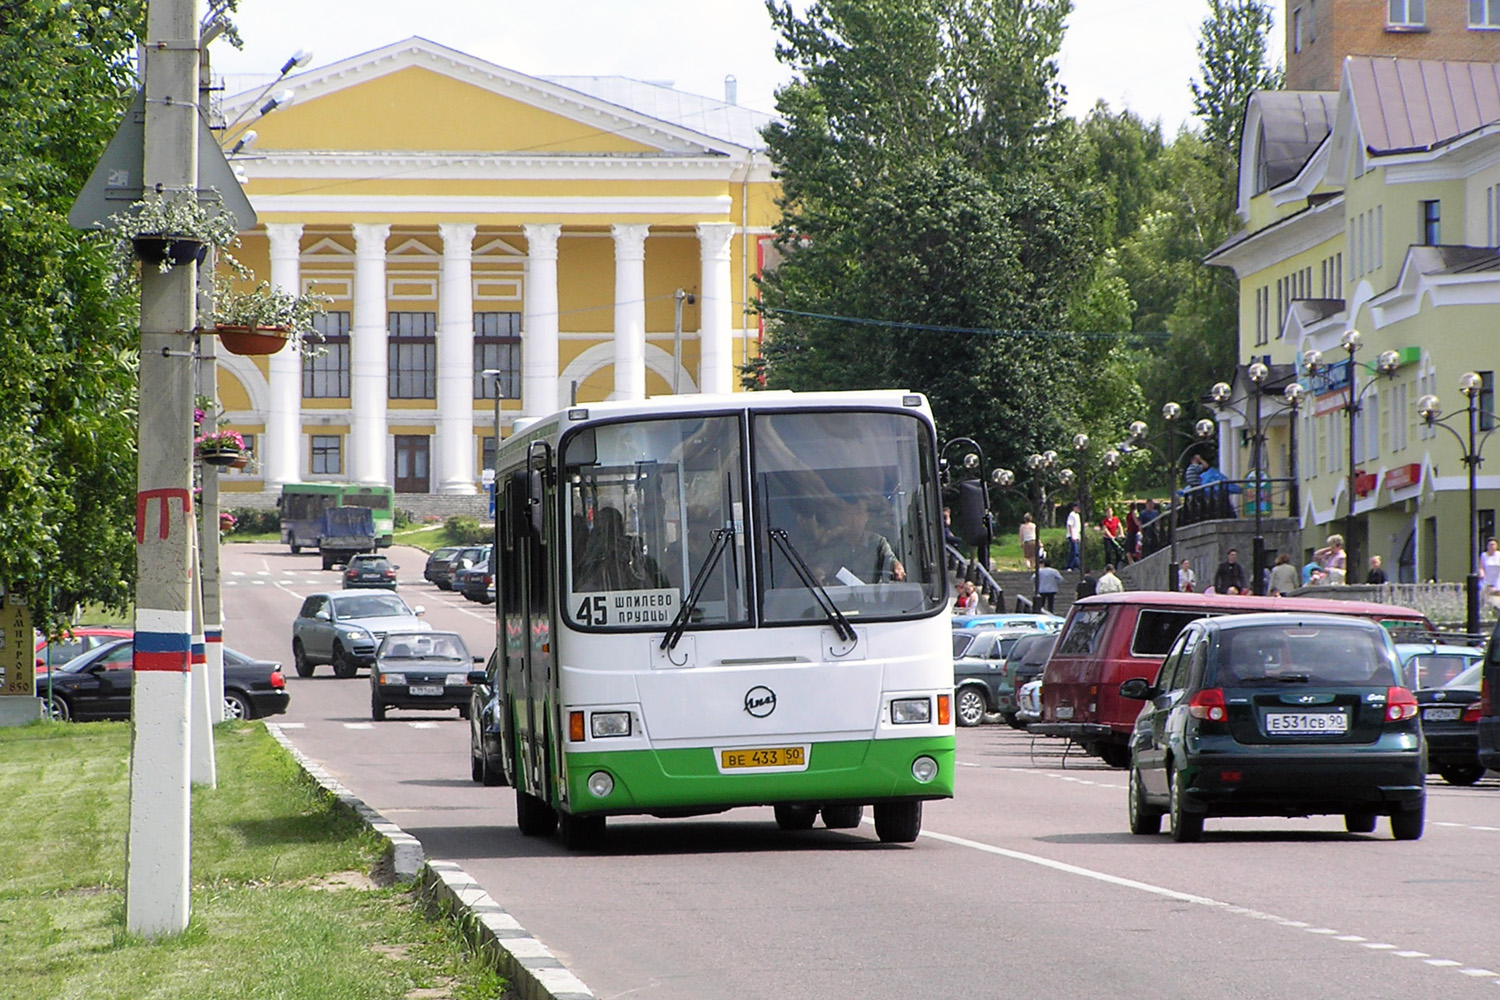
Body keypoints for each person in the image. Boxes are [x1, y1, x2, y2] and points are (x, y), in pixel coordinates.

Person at [813, 499, 905, 586]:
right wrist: (819, 573)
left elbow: (891, 560)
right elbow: (823, 566)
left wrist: (897, 567)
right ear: (842, 518)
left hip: (872, 598)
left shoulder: (878, 543)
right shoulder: (833, 543)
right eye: (849, 514)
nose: (854, 519)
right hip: (837, 599)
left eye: (858, 513)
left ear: (866, 517)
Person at [576, 506, 667, 591]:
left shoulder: (633, 553)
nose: (604, 533)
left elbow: (648, 587)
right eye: (600, 529)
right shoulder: (593, 559)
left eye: (608, 527)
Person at [1481, 538, 1500, 606]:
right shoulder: (1484, 555)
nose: (1492, 546)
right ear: (1487, 546)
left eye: (1494, 545)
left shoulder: (1499, 555)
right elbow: (1481, 567)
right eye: (1491, 545)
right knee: (1485, 594)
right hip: (1487, 577)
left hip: (1497, 577)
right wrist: (1482, 573)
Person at [1064, 503, 1082, 571]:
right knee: (1074, 551)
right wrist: (1072, 536)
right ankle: (1071, 566)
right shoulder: (1072, 515)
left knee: (1076, 552)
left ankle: (1074, 565)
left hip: (1076, 535)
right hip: (1073, 536)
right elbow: (1070, 525)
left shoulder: (1077, 515)